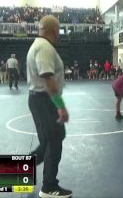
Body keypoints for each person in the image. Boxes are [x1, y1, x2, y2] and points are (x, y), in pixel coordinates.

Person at [26, 15, 72, 198]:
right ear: (55, 30)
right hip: (45, 100)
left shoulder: (39, 45)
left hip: (40, 100)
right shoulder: (44, 47)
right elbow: (47, 78)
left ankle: (23, 168)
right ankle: (49, 187)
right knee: (54, 141)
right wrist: (60, 105)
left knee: (48, 141)